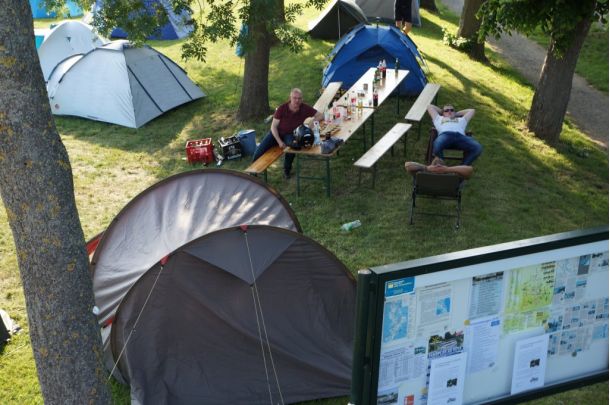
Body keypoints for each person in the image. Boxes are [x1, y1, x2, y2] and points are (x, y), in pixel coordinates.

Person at [252, 88, 323, 179]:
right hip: (276, 134)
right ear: (290, 98)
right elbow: (273, 127)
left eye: (299, 98)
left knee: (293, 147)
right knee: (260, 150)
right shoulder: (282, 108)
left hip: (291, 134)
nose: (297, 101)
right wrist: (279, 142)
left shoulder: (304, 108)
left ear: (302, 99)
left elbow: (320, 115)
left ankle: (287, 170)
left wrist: (310, 125)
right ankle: (252, 172)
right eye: (294, 98)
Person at [405, 158, 474, 179]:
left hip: (425, 189)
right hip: (447, 192)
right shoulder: (452, 175)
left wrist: (426, 168)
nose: (438, 167)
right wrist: (447, 169)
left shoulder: (423, 173)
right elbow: (469, 170)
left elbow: (407, 165)